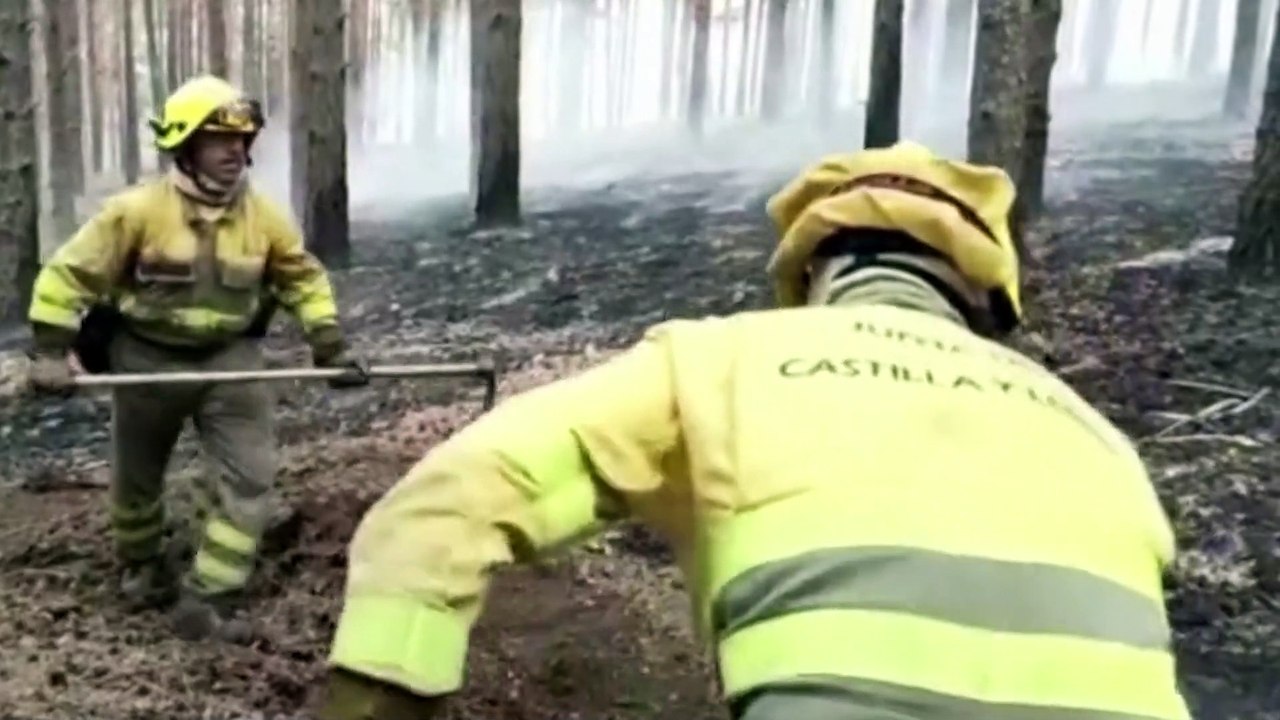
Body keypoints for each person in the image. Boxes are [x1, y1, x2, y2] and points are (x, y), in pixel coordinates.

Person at [316, 142, 1191, 720]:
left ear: (809, 270)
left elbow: (451, 501)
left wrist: (381, 690)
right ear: (990, 295)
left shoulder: (721, 363)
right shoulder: (1097, 436)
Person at [25, 75, 369, 643]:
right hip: (146, 360)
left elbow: (303, 280)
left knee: (252, 478)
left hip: (229, 362)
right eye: (218, 139)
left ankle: (211, 596)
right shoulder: (135, 213)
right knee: (137, 481)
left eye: (241, 139)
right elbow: (68, 276)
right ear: (185, 145)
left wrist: (328, 342)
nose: (234, 151)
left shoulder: (266, 218)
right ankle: (142, 569)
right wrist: (49, 351)